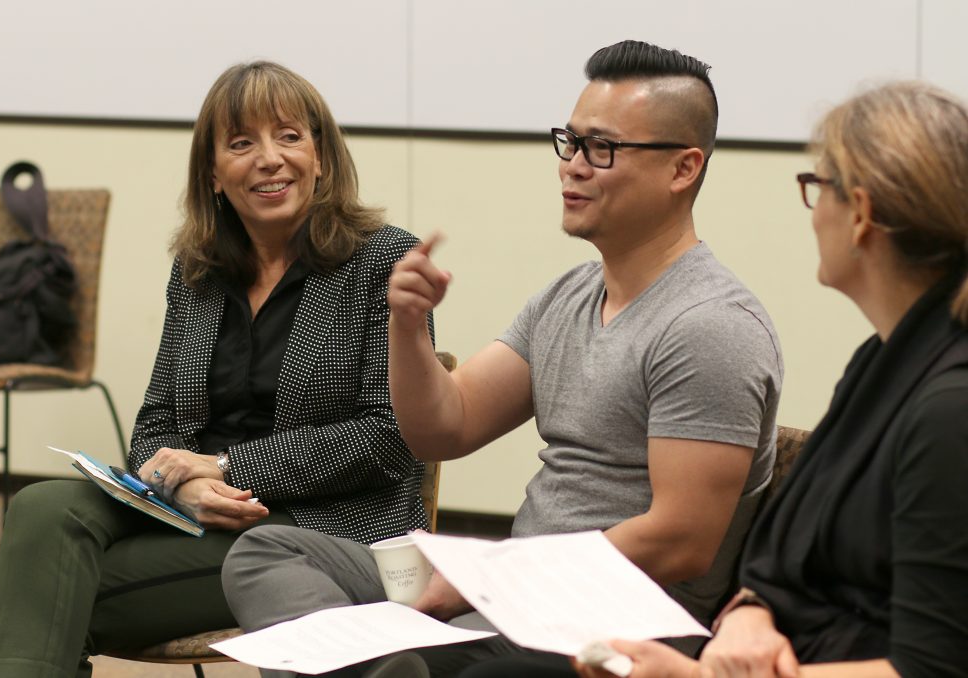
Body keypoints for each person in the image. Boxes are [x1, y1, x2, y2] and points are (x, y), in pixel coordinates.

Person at [223, 40, 782, 677]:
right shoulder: (569, 296)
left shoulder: (709, 325)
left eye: (602, 149)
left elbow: (681, 541)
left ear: (683, 169)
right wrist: (404, 327)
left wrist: (495, 580)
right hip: (511, 600)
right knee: (267, 551)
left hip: (608, 633)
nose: (572, 166)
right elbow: (445, 427)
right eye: (569, 142)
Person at [0, 61, 428, 678]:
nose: (269, 159)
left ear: (322, 157)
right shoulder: (197, 271)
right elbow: (157, 425)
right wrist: (186, 485)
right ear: (215, 175)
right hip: (193, 515)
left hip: (315, 531)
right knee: (40, 508)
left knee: (47, 590)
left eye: (289, 136)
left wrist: (225, 467)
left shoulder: (381, 260)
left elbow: (387, 438)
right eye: (242, 143)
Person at [570, 81, 968, 678]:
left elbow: (931, 666)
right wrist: (751, 614)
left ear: (859, 214)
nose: (812, 214)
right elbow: (778, 562)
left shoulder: (950, 409)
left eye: (818, 188)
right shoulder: (879, 361)